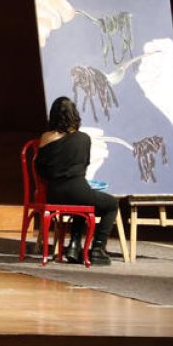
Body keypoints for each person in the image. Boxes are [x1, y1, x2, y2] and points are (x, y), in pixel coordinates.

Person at [36, 96, 118, 266]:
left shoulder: (45, 137)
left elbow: (40, 169)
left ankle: (74, 247)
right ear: (74, 115)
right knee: (110, 204)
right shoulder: (84, 139)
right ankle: (97, 248)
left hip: (53, 193)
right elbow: (84, 165)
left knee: (81, 201)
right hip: (77, 189)